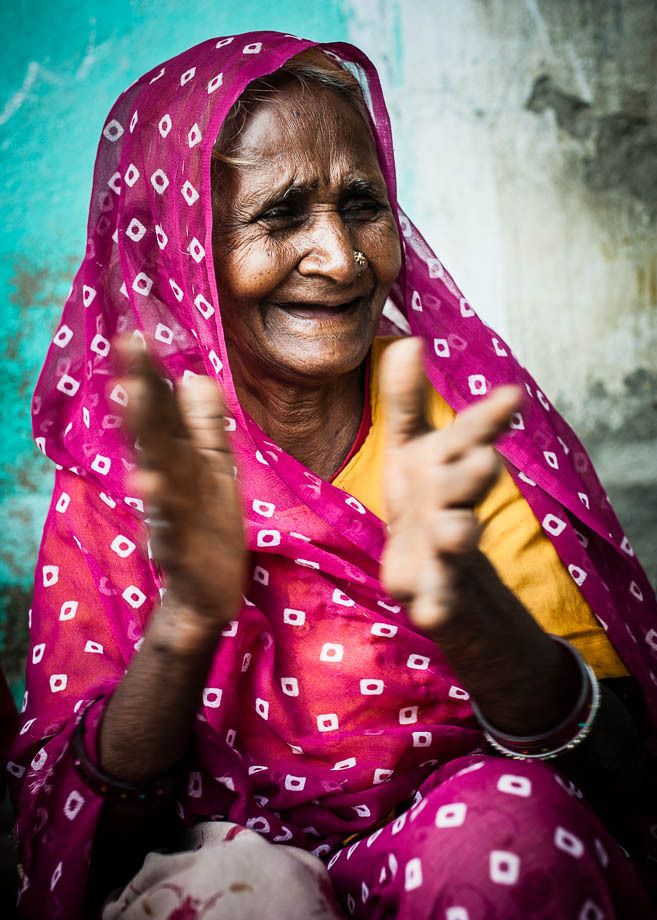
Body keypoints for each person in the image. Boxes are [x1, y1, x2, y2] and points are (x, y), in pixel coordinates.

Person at [8, 31, 657, 919]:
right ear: (178, 249)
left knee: (506, 835)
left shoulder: (457, 437)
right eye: (278, 217)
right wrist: (184, 622)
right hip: (222, 878)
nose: (342, 259)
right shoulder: (128, 476)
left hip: (453, 876)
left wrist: (477, 614)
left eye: (362, 206)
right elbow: (83, 851)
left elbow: (631, 789)